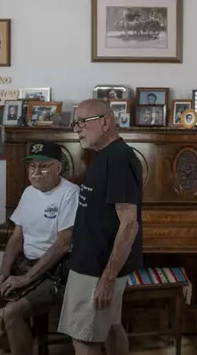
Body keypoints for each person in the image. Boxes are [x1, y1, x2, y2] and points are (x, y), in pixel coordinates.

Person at [0, 142, 78, 355]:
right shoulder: (29, 192)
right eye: (32, 167)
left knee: (12, 311)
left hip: (55, 273)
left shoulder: (70, 193)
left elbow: (62, 244)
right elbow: (17, 237)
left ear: (58, 167)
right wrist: (4, 273)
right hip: (25, 266)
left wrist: (25, 279)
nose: (36, 173)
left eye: (43, 167)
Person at [59, 99, 143, 355]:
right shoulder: (104, 155)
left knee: (84, 339)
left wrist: (107, 277)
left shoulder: (118, 157)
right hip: (92, 263)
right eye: (75, 123)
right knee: (112, 327)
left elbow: (129, 224)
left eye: (82, 122)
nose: (77, 129)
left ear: (105, 122)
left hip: (97, 269)